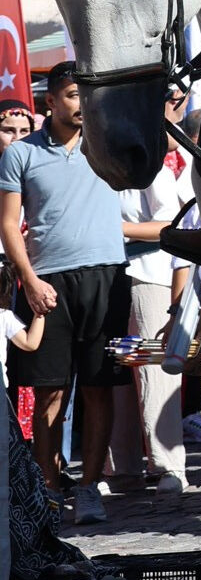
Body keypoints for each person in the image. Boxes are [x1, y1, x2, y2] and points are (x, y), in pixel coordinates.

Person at [0, 64, 131, 521]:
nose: (83, 104)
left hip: (107, 278)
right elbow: (8, 225)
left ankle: (90, 487)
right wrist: (29, 279)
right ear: (50, 102)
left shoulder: (108, 143)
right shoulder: (20, 155)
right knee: (50, 392)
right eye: (74, 95)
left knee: (98, 388)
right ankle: (49, 489)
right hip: (48, 283)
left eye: (88, 96)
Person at [116, 86, 194, 495]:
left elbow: (168, 225)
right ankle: (121, 467)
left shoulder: (150, 168)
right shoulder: (99, 164)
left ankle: (168, 466)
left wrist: (109, 231)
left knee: (152, 369)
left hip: (149, 272)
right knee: (113, 371)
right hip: (108, 273)